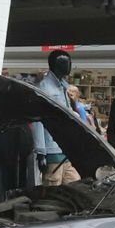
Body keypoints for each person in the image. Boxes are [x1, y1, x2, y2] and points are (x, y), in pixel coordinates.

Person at [33, 50, 79, 186]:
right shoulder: (44, 88)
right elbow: (38, 120)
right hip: (52, 150)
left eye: (69, 62)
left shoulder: (63, 87)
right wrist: (41, 151)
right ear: (55, 65)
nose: (69, 66)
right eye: (65, 62)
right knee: (53, 189)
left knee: (75, 186)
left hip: (67, 150)